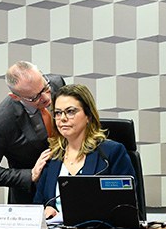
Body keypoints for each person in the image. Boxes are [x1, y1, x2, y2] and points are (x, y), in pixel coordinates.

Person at [31, 84, 136, 220]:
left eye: (70, 111)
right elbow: (38, 204)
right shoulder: (52, 157)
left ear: (88, 116)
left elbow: (126, 207)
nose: (62, 118)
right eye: (57, 113)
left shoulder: (110, 154)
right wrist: (46, 209)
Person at [0, 61, 66, 203]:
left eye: (45, 88)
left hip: (67, 188)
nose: (46, 98)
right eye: (34, 97)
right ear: (16, 97)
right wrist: (30, 175)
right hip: (30, 199)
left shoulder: (57, 83)